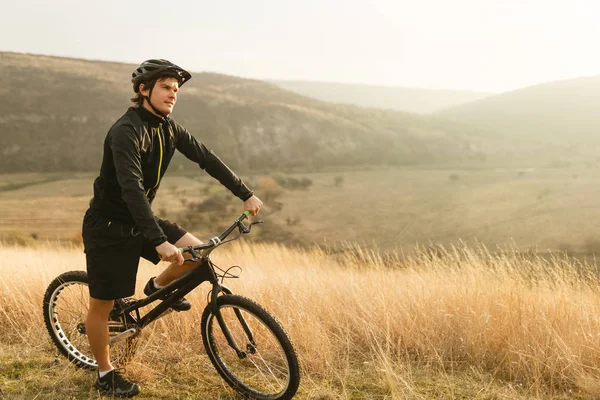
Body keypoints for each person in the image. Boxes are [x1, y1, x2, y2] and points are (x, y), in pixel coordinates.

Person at [82, 59, 262, 398]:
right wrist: (159, 242)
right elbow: (132, 188)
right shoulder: (126, 131)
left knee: (197, 254)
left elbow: (206, 157)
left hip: (141, 219)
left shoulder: (168, 127)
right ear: (143, 89)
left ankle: (153, 289)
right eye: (166, 87)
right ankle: (105, 374)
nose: (173, 95)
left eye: (176, 90)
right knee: (102, 306)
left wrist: (245, 192)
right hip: (108, 227)